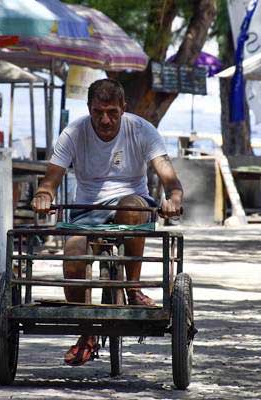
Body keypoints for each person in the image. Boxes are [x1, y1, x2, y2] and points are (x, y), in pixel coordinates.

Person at [31, 78, 183, 367]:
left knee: (130, 206)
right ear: (89, 108)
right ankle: (86, 331)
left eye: (112, 112)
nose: (105, 119)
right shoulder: (74, 133)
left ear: (124, 108)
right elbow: (51, 179)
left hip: (131, 203)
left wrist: (173, 197)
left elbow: (167, 174)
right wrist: (43, 194)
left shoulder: (141, 130)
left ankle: (133, 288)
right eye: (98, 111)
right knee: (74, 256)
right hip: (86, 209)